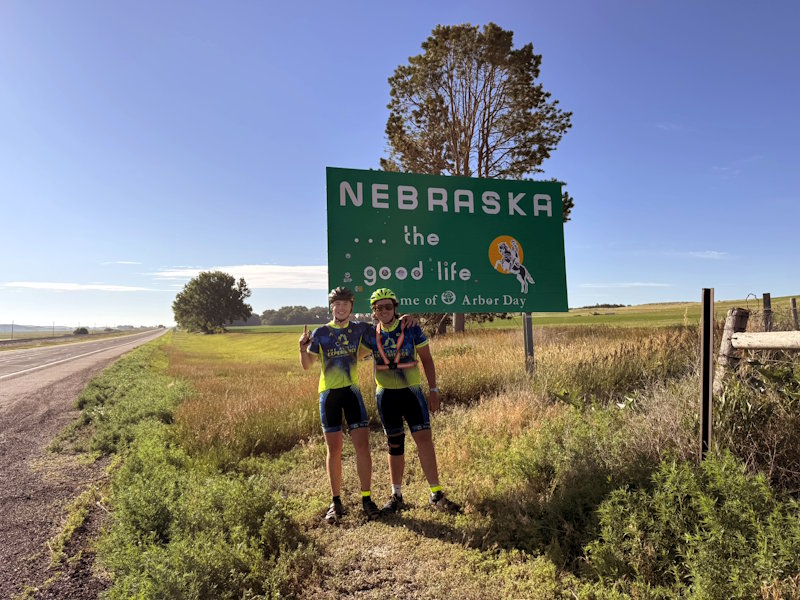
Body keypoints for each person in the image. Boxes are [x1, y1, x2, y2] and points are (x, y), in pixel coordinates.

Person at [363, 288, 461, 515]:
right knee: (394, 445)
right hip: (386, 395)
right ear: (374, 311)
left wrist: (434, 390)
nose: (384, 311)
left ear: (396, 309)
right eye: (379, 308)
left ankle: (436, 494)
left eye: (388, 306)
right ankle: (396, 495)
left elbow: (427, 360)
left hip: (412, 393)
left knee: (424, 441)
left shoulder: (411, 327)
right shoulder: (369, 334)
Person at [299, 287, 381, 523]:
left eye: (346, 304)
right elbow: (307, 365)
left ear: (351, 308)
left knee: (362, 447)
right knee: (333, 450)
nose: (341, 308)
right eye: (337, 304)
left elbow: (384, 327)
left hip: (352, 392)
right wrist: (302, 349)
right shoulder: (321, 332)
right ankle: (336, 502)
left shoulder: (359, 329)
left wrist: (405, 319)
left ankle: (367, 499)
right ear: (331, 307)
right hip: (329, 395)